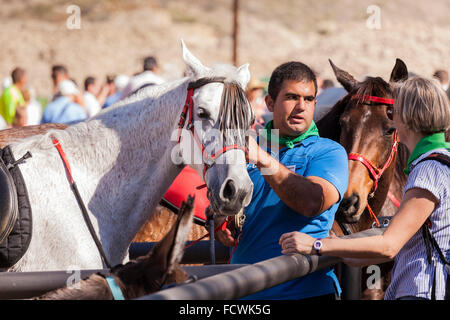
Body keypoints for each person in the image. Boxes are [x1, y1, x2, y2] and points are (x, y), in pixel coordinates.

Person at [280, 76, 450, 300]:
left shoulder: (428, 169)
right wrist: (341, 250)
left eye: (394, 110)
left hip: (421, 291)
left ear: (407, 117)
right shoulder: (441, 160)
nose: (392, 115)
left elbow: (389, 245)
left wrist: (317, 244)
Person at [215, 61, 349, 300]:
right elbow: (226, 204)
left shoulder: (329, 151)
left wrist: (262, 159)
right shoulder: (248, 150)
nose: (301, 107)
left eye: (308, 99)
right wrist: (220, 220)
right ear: (269, 103)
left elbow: (312, 202)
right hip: (243, 293)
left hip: (306, 293)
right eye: (291, 97)